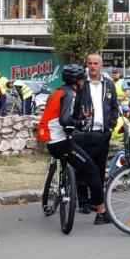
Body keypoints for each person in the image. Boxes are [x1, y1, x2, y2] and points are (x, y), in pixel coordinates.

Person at [37, 64, 109, 224]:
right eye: (83, 79)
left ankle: (81, 166)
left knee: (97, 138)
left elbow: (59, 116)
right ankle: (101, 213)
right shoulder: (70, 94)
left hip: (55, 140)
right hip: (61, 143)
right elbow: (65, 121)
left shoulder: (59, 91)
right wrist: (81, 122)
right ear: (78, 81)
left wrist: (78, 121)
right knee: (94, 172)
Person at [74, 53, 118, 214]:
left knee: (99, 169)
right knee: (82, 167)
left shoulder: (109, 84)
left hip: (102, 133)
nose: (93, 66)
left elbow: (114, 107)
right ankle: (83, 202)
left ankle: (95, 201)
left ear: (101, 66)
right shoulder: (81, 83)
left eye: (96, 63)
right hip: (85, 133)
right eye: (90, 63)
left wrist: (111, 127)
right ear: (87, 65)